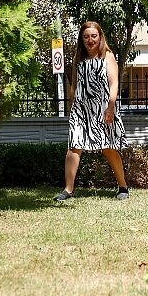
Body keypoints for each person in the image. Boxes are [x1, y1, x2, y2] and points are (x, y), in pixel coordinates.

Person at [54, 21, 129, 201]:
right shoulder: (78, 58)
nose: (90, 40)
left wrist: (110, 106)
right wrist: (73, 106)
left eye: (93, 36)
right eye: (86, 36)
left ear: (100, 37)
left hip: (102, 109)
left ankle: (123, 187)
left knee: (108, 148)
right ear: (82, 38)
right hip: (81, 109)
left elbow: (114, 84)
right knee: (74, 147)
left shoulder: (108, 56)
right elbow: (74, 85)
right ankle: (68, 189)